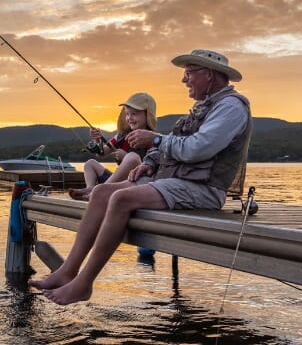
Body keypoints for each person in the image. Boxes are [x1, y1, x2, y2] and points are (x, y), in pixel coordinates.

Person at [30, 49, 252, 305]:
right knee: (101, 192)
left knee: (122, 198)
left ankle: (83, 283)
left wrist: (156, 139)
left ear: (209, 75)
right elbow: (177, 146)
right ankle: (67, 271)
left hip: (204, 189)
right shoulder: (206, 106)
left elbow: (198, 148)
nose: (184, 79)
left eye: (188, 73)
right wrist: (150, 163)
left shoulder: (231, 107)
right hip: (177, 181)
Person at [69, 93, 157, 201]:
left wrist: (126, 157)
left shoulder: (152, 138)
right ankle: (91, 189)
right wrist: (98, 139)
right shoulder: (121, 136)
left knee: (132, 157)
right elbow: (101, 153)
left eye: (134, 114)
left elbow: (152, 167)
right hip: (115, 181)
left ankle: (98, 191)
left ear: (147, 115)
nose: (129, 118)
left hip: (136, 182)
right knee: (90, 164)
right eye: (127, 114)